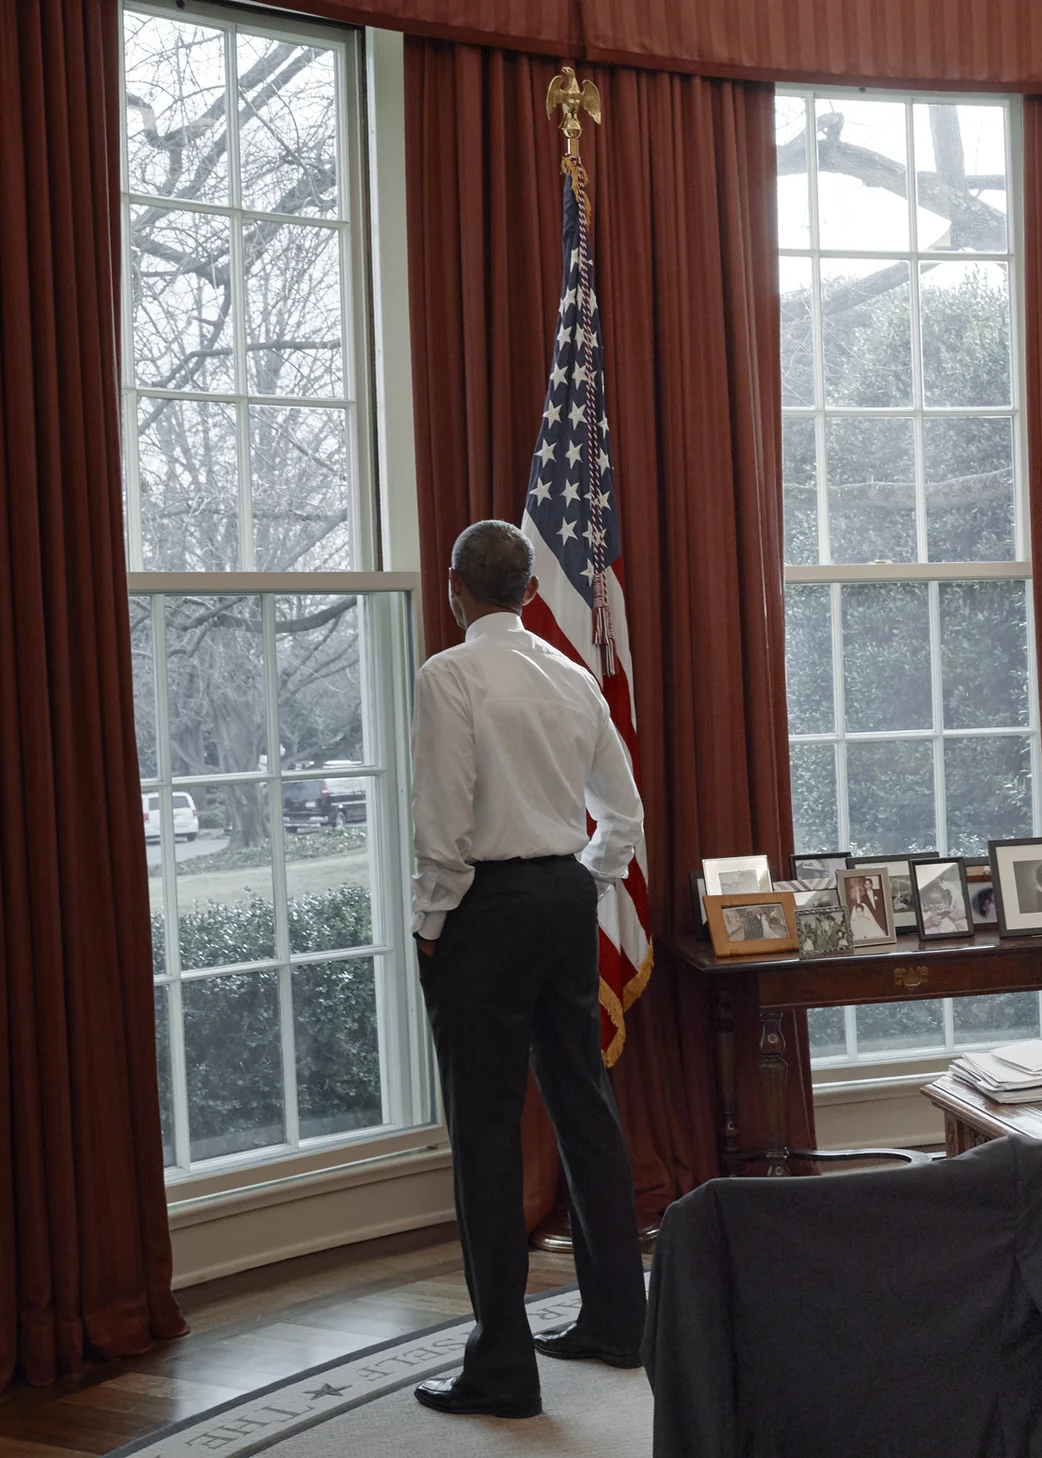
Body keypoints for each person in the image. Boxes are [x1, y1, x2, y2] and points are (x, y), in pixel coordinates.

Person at [409, 521, 647, 1419]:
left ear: (454, 589)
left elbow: (444, 821)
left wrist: (433, 923)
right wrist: (582, 881)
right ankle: (621, 1322)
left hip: (484, 914)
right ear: (527, 593)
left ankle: (502, 1368)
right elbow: (621, 813)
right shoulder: (571, 674)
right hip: (563, 902)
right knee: (586, 1104)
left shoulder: (450, 675)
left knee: (485, 1130)